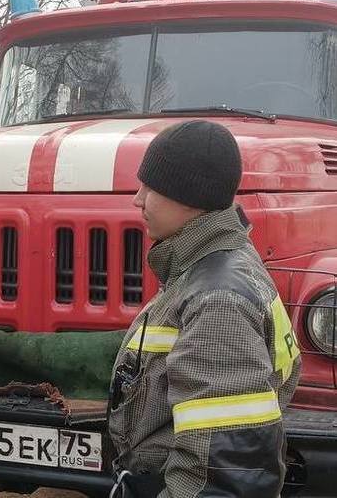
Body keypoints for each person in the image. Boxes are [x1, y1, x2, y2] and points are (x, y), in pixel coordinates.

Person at [107, 120, 301, 497]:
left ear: (190, 196)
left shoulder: (217, 300)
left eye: (152, 187)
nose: (138, 198)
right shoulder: (206, 267)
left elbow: (223, 472)